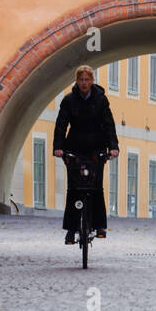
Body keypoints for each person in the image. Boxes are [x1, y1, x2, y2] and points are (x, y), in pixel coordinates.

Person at [53, 65, 119, 245]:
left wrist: (113, 147)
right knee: (74, 189)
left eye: (87, 80)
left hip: (96, 147)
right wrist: (58, 147)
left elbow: (108, 124)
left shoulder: (100, 99)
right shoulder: (69, 100)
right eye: (81, 80)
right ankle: (71, 229)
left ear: (92, 81)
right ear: (77, 81)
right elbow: (61, 124)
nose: (84, 83)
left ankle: (99, 226)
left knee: (96, 187)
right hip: (74, 147)